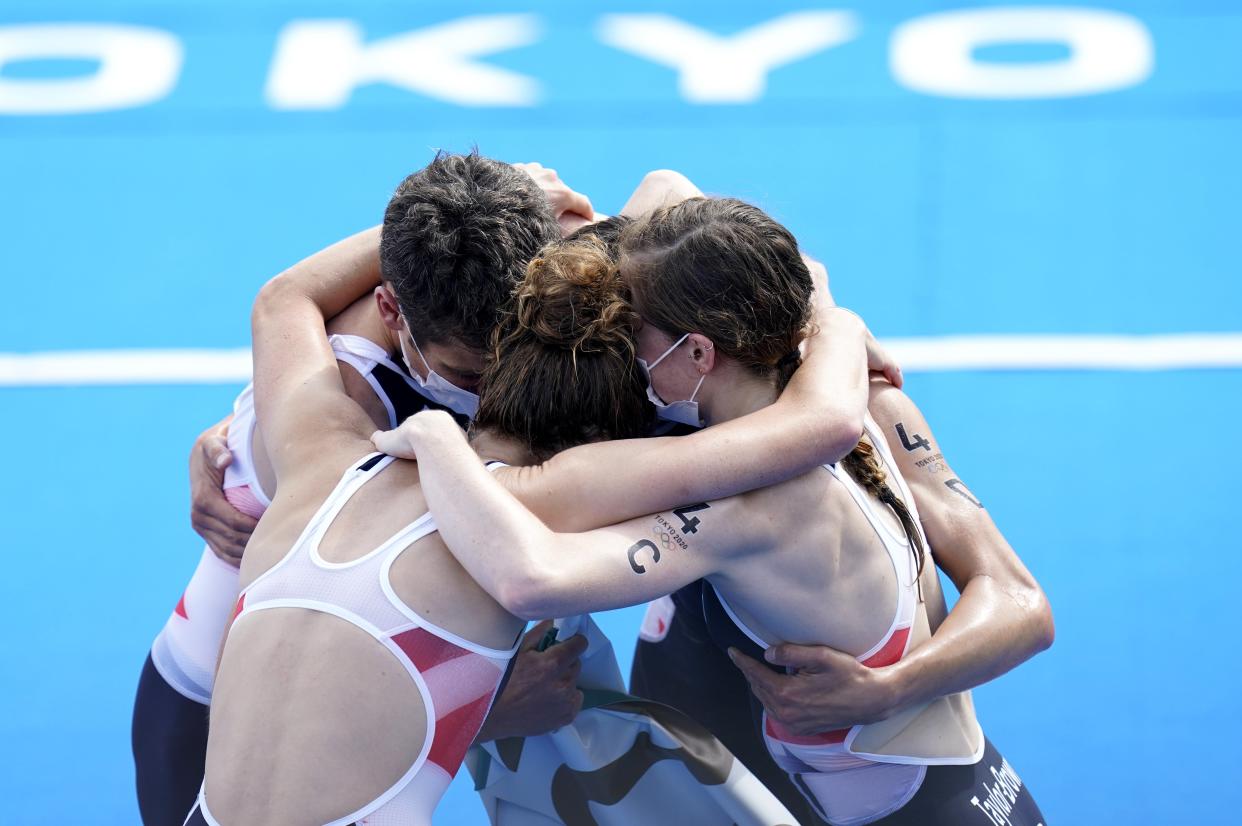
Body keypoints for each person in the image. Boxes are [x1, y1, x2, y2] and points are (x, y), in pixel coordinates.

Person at [191, 202, 887, 823]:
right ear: (601, 438)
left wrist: (482, 212)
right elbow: (825, 422)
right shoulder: (548, 495)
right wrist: (830, 317)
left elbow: (282, 300)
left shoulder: (317, 447)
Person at [374, 197, 1051, 825]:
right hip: (938, 783)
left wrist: (889, 689)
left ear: (698, 351)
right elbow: (677, 197)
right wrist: (836, 321)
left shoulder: (743, 512)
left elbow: (535, 572)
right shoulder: (872, 401)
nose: (621, 346)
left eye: (632, 328)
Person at [132, 151, 595, 825]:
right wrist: (485, 711)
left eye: (515, 357)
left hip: (382, 679)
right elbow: (319, 710)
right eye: (470, 376)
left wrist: (522, 201)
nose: (498, 395)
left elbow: (285, 297)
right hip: (213, 723)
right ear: (391, 309)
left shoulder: (502, 279)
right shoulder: (345, 391)